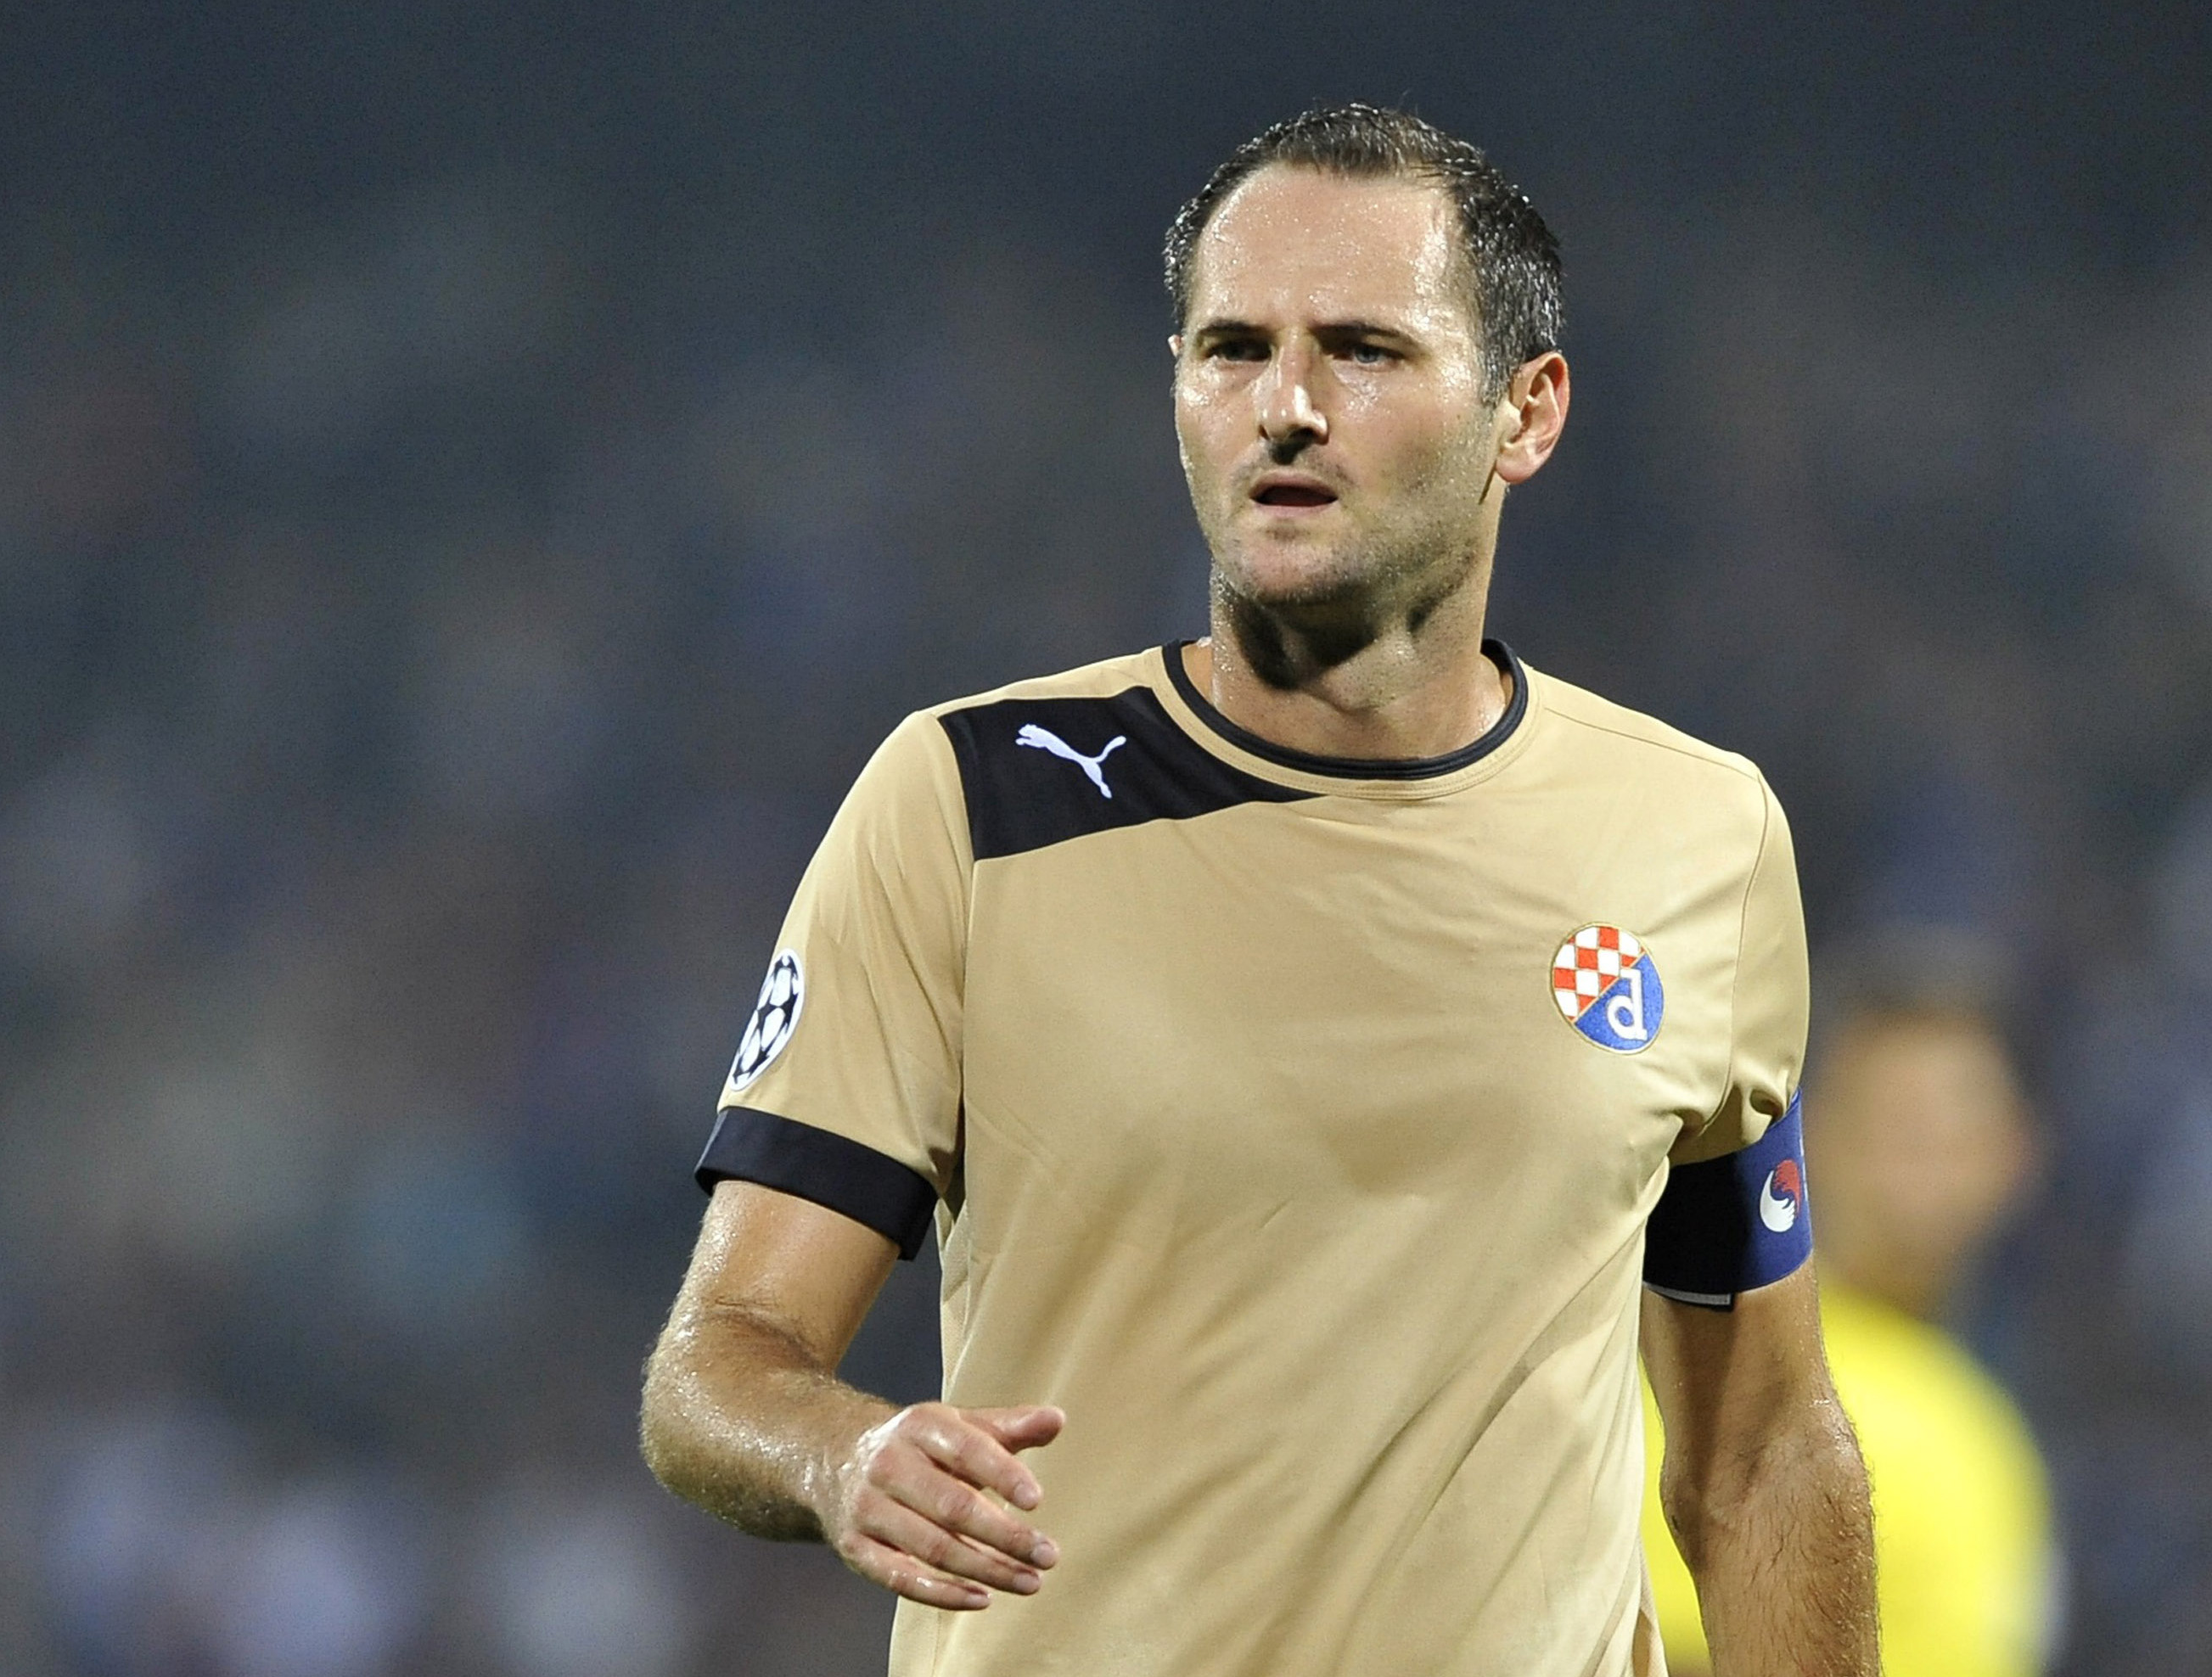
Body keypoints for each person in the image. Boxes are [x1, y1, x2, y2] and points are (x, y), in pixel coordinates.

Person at [639, 104, 1877, 1677]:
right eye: (1229, 348)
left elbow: (1758, 1449)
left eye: (1360, 350)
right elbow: (717, 1367)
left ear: (1526, 412)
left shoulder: (1695, 835)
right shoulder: (966, 804)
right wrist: (838, 1458)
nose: (1282, 407)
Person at [1642, 951, 2052, 1676]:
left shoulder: (1979, 1431)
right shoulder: (1714, 1356)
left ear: (2011, 1157)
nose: (1920, 1173)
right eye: (1897, 1128)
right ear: (1807, 1136)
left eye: (1952, 1135)